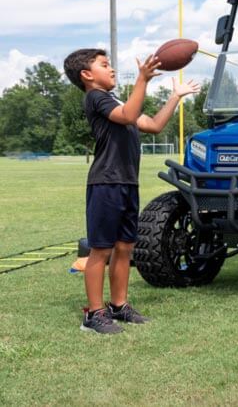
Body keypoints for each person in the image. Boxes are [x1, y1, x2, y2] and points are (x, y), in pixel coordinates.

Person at [63, 48, 199, 333]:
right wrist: (143, 79)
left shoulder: (115, 100)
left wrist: (175, 96)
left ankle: (119, 305)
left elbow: (153, 124)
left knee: (125, 248)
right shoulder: (95, 98)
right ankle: (94, 314)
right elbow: (127, 116)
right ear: (87, 75)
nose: (111, 69)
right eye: (104, 65)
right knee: (101, 250)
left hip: (126, 183)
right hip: (105, 183)